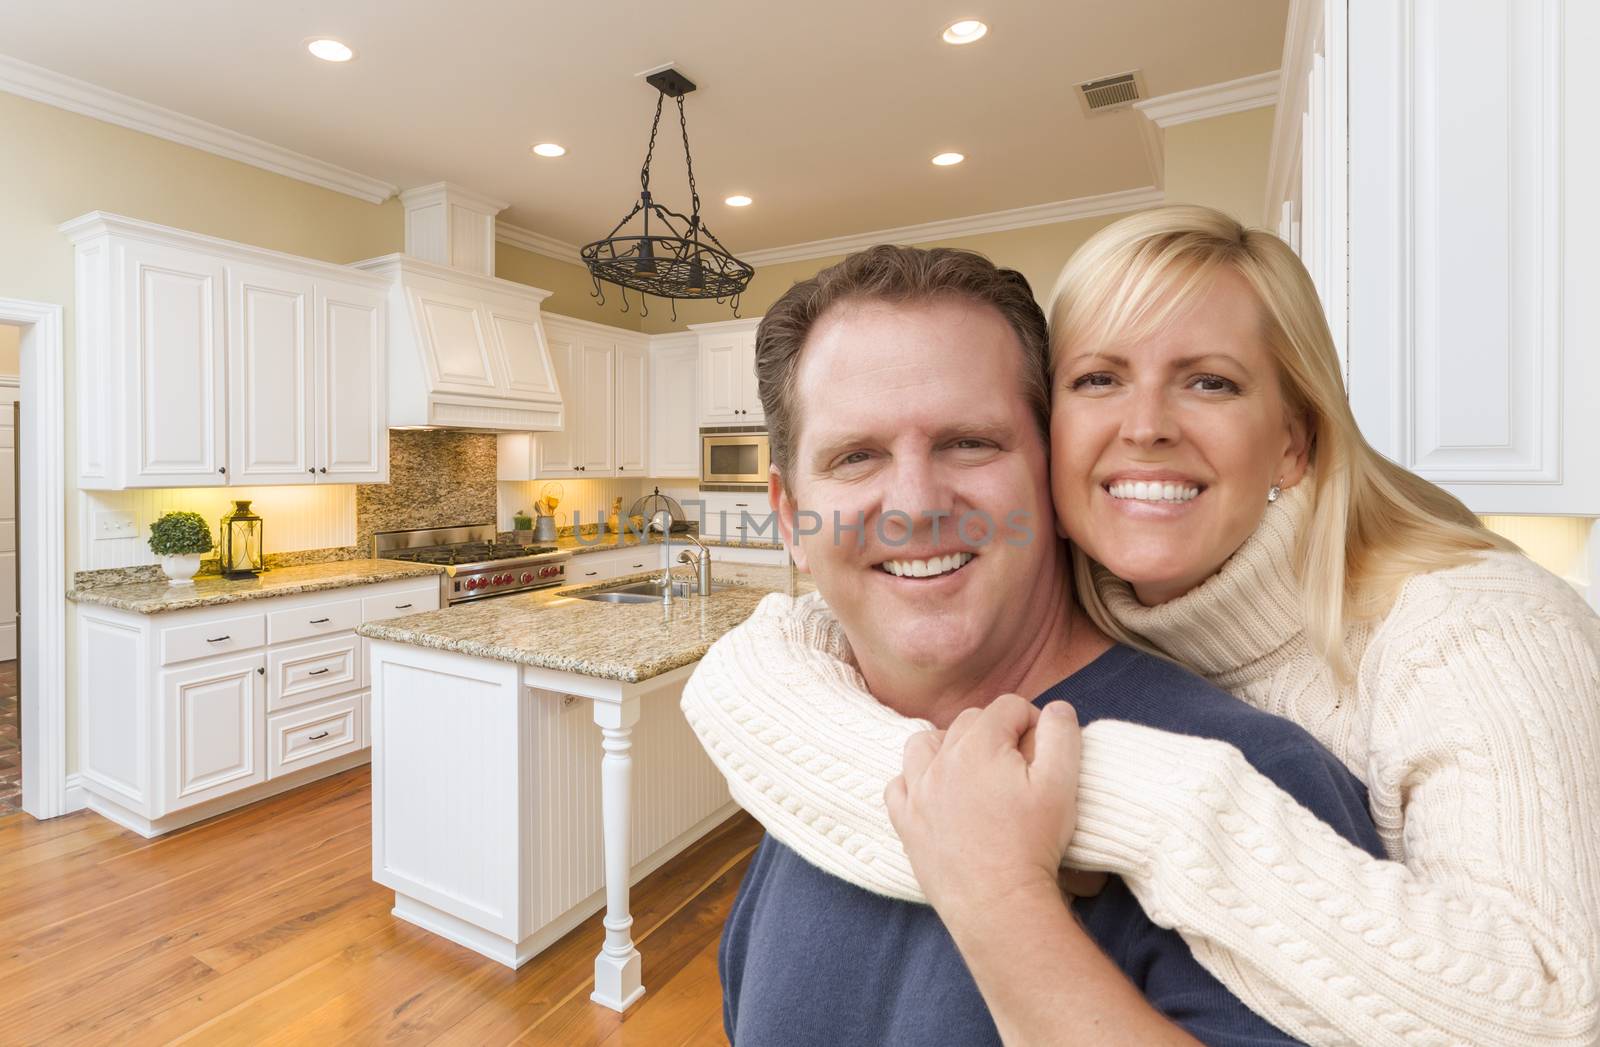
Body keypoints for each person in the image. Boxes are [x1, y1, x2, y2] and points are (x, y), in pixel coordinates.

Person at [683, 206, 1600, 1046]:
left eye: (971, 441)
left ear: (1040, 472)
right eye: (856, 456)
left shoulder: (1384, 693)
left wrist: (1075, 838)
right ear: (789, 513)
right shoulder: (812, 753)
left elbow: (1558, 1008)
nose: (917, 502)